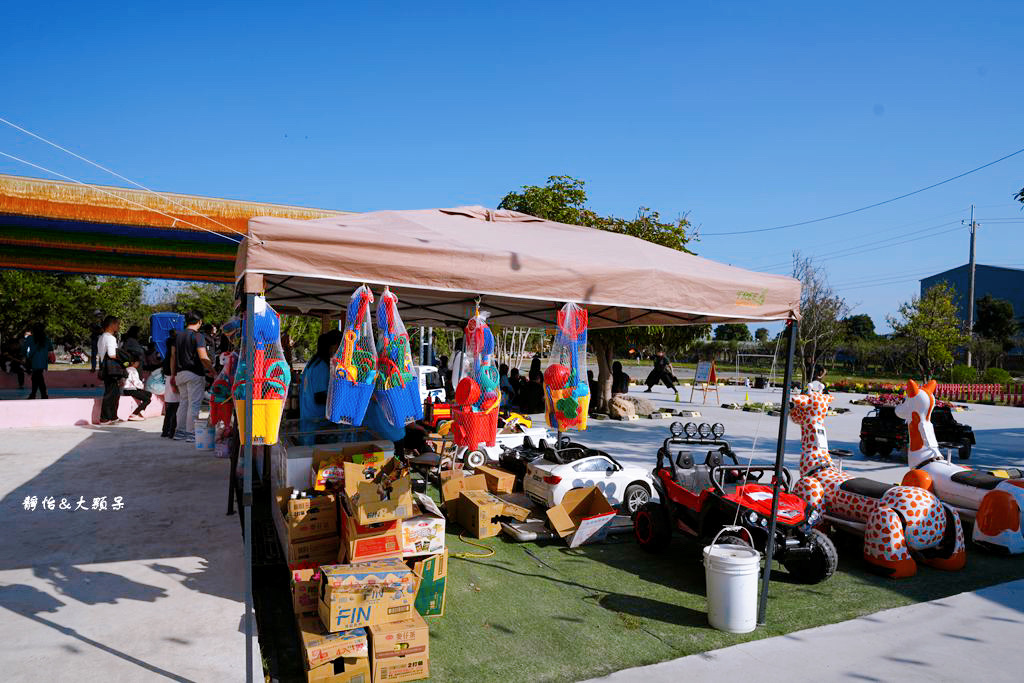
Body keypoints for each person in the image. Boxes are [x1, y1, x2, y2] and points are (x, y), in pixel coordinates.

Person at [172, 312, 214, 443]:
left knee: (183, 403)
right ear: (199, 322)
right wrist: (212, 370)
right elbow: (203, 357)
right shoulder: (198, 336)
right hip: (194, 373)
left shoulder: (177, 335)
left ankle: (180, 431)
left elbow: (173, 356)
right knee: (194, 404)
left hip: (180, 374)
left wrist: (173, 375)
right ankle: (191, 433)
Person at [299, 330, 343, 442]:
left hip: (310, 420)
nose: (341, 351)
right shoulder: (321, 367)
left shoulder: (313, 362)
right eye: (340, 346)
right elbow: (319, 397)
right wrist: (341, 401)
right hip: (317, 423)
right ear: (331, 346)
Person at [97, 316, 124, 424]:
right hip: (112, 369)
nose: (118, 326)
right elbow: (112, 354)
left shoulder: (102, 337)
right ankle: (104, 418)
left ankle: (113, 416)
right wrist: (123, 358)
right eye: (117, 324)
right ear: (112, 325)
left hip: (106, 368)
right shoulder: (110, 338)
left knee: (114, 393)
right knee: (111, 393)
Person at [24, 323, 53, 400]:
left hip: (34, 360)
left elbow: (24, 349)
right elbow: (50, 349)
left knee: (37, 377)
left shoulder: (30, 338)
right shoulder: (46, 339)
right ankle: (40, 394)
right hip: (43, 361)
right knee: (37, 377)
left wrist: (26, 357)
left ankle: (38, 394)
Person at [160, 329, 179, 438]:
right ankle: (171, 430)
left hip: (169, 376)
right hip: (172, 376)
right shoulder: (172, 354)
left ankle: (166, 430)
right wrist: (173, 375)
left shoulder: (166, 355)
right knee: (175, 405)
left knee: (171, 405)